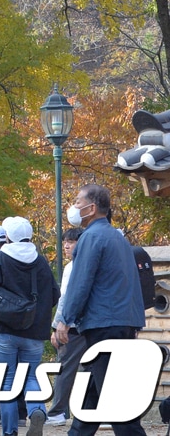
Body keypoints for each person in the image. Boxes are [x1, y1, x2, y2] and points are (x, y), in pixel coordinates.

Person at [55, 184, 148, 436]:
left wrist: (65, 319)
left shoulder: (91, 238)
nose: (73, 207)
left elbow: (80, 281)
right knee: (95, 393)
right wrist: (135, 321)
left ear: (92, 208)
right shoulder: (118, 238)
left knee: (114, 397)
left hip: (103, 324)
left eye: (77, 201)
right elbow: (132, 283)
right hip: (122, 322)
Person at [0, 216, 56, 436]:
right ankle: (37, 409)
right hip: (35, 332)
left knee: (7, 380)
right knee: (31, 375)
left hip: (5, 329)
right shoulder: (41, 261)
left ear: (8, 237)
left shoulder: (0, 259)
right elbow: (54, 294)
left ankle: (10, 431)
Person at [46, 227, 84, 425]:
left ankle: (57, 412)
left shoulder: (75, 267)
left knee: (65, 367)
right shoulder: (79, 265)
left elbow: (66, 299)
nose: (67, 246)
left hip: (73, 326)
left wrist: (58, 325)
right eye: (65, 242)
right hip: (87, 325)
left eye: (71, 242)